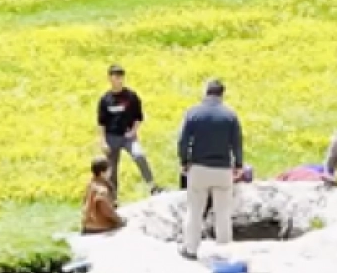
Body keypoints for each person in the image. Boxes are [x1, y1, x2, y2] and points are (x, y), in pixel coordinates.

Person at [177, 78, 243, 260]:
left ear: (206, 92)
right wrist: (238, 165)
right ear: (222, 94)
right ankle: (224, 251)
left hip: (198, 168)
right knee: (223, 212)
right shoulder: (230, 115)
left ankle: (190, 249)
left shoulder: (193, 113)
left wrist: (184, 161)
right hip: (222, 169)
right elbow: (237, 143)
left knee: (195, 210)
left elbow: (183, 140)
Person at [96, 65, 161, 197]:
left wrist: (133, 131)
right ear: (109, 78)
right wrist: (103, 141)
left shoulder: (131, 96)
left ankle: (152, 186)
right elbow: (101, 123)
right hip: (111, 137)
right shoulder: (105, 99)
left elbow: (138, 116)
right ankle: (113, 199)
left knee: (139, 155)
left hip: (128, 137)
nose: (119, 80)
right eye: (116, 77)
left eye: (121, 77)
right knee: (112, 170)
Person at [81, 157, 125, 234]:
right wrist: (120, 220)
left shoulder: (91, 184)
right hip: (100, 227)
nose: (111, 172)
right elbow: (107, 210)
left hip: (87, 226)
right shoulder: (102, 190)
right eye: (109, 170)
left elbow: (85, 203)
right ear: (102, 173)